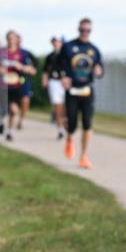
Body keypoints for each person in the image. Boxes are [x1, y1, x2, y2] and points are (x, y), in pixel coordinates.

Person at [55, 18, 104, 169]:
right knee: (72, 124)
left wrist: (99, 71)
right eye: (82, 30)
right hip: (72, 90)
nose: (85, 33)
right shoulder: (68, 47)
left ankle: (83, 156)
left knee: (87, 124)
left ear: (91, 31)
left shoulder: (94, 50)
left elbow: (100, 69)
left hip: (87, 90)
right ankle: (69, 138)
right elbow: (57, 65)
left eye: (88, 30)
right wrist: (63, 77)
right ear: (78, 29)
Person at [0, 31, 37, 141]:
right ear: (6, 39)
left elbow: (31, 70)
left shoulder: (23, 53)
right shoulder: (1, 52)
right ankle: (0, 121)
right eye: (9, 38)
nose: (11, 41)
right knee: (4, 109)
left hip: (16, 85)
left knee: (13, 110)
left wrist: (21, 67)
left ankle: (10, 132)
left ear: (17, 39)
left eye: (13, 38)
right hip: (3, 86)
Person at [42, 36, 67, 140]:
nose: (56, 44)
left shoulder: (67, 55)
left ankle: (64, 121)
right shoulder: (50, 56)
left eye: (57, 42)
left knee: (66, 106)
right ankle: (60, 129)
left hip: (65, 82)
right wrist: (44, 80)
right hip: (54, 81)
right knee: (57, 105)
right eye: (54, 42)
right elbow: (45, 70)